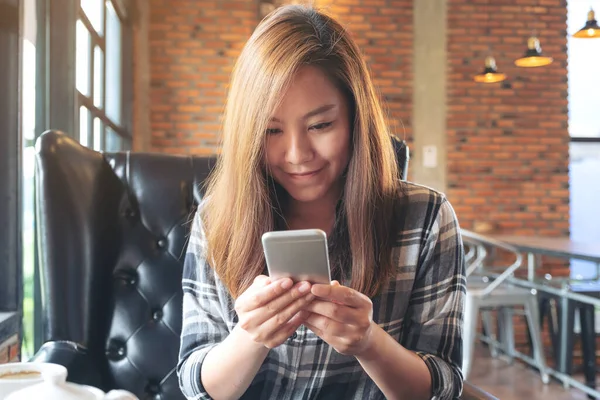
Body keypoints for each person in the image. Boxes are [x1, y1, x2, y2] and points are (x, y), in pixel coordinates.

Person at [177, 4, 465, 400]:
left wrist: (369, 343)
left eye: (320, 125)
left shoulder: (426, 218)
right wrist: (251, 336)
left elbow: (444, 385)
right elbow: (195, 382)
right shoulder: (217, 218)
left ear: (355, 117)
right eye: (271, 130)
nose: (297, 154)